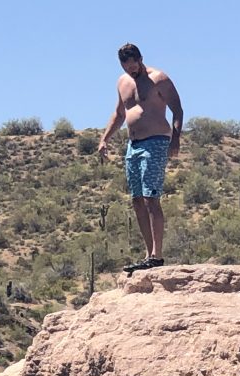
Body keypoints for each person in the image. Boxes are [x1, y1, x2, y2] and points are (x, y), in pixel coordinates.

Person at [98, 43, 184, 273]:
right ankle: (149, 254)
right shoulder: (122, 82)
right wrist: (104, 139)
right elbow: (119, 113)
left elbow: (177, 108)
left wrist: (175, 138)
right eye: (127, 67)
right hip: (132, 145)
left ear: (141, 59)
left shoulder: (159, 79)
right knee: (137, 199)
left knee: (150, 198)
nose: (131, 70)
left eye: (134, 65)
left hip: (156, 141)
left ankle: (158, 254)